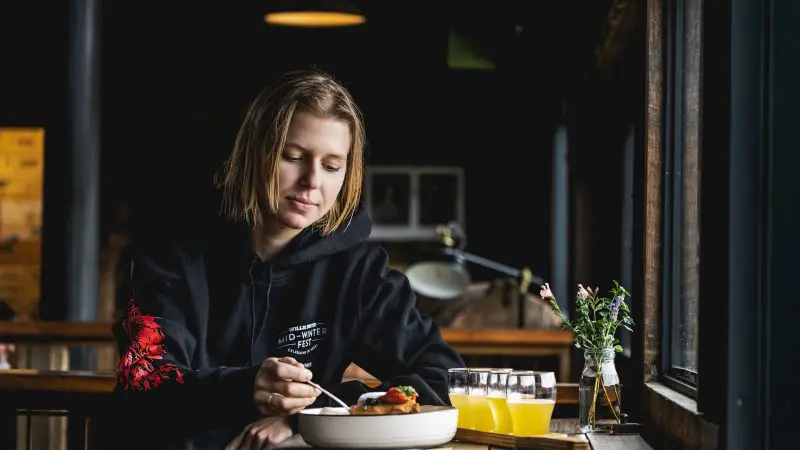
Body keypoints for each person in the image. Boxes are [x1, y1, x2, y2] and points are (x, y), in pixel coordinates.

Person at [105, 68, 465, 450]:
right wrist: (244, 388)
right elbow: (142, 380)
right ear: (254, 153)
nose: (312, 180)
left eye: (331, 166)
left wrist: (307, 415)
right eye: (293, 156)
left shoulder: (357, 272)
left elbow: (443, 377)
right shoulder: (170, 258)